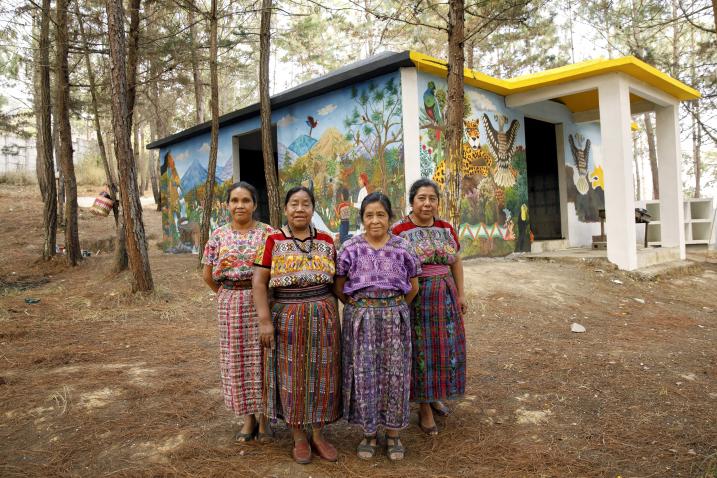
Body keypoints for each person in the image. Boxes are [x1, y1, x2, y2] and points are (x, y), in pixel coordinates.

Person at [253, 186, 341, 465]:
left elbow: (337, 281)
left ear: (313, 209)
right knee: (291, 375)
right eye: (294, 204)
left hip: (323, 316)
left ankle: (317, 434)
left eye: (305, 204)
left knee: (322, 373)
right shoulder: (273, 239)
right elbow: (258, 282)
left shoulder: (327, 240)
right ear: (286, 208)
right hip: (286, 316)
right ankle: (298, 437)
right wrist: (265, 321)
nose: (300, 209)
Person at [335, 192, 420, 461]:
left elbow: (413, 287)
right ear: (362, 219)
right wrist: (361, 307)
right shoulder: (350, 248)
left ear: (389, 217)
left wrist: (393, 307)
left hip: (395, 318)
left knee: (395, 374)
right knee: (365, 375)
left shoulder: (402, 247)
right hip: (361, 319)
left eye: (380, 214)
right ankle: (369, 433)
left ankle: (393, 434)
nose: (375, 220)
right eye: (369, 215)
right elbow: (339, 286)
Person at [391, 178, 467, 436]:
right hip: (416, 298)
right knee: (420, 351)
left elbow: (455, 261)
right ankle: (422, 407)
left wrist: (460, 294)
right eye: (421, 198)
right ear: (412, 201)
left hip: (445, 297)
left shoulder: (446, 228)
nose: (427, 203)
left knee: (443, 349)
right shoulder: (399, 230)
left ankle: (435, 397)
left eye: (432, 198)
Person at [201, 182, 275, 443]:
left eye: (246, 200)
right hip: (231, 304)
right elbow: (208, 274)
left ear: (254, 204)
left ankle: (266, 418)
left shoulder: (269, 234)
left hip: (264, 302)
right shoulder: (218, 235)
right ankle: (248, 419)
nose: (240, 205)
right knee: (238, 361)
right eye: (235, 200)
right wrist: (224, 294)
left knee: (265, 357)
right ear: (228, 204)